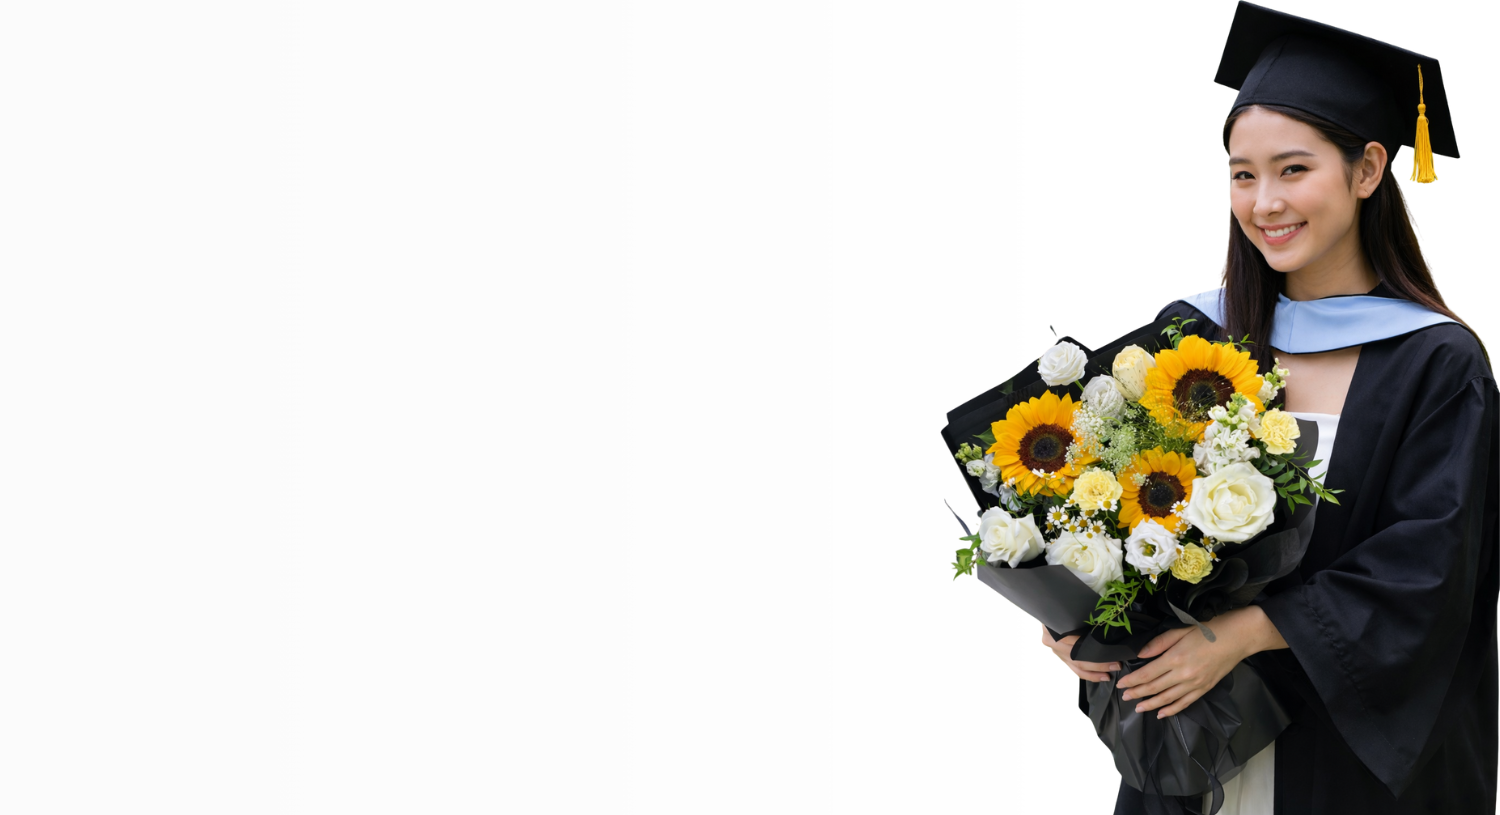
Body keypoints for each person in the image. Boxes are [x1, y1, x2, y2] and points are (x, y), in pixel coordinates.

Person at [1042, 4, 1498, 813]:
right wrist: (1080, 612)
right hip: (1192, 744)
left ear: (1367, 171)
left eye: (1294, 169)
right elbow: (1101, 497)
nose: (1263, 202)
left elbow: (1431, 573)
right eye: (1242, 173)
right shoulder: (1189, 337)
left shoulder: (1437, 364)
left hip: (1341, 758)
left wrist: (1243, 633)